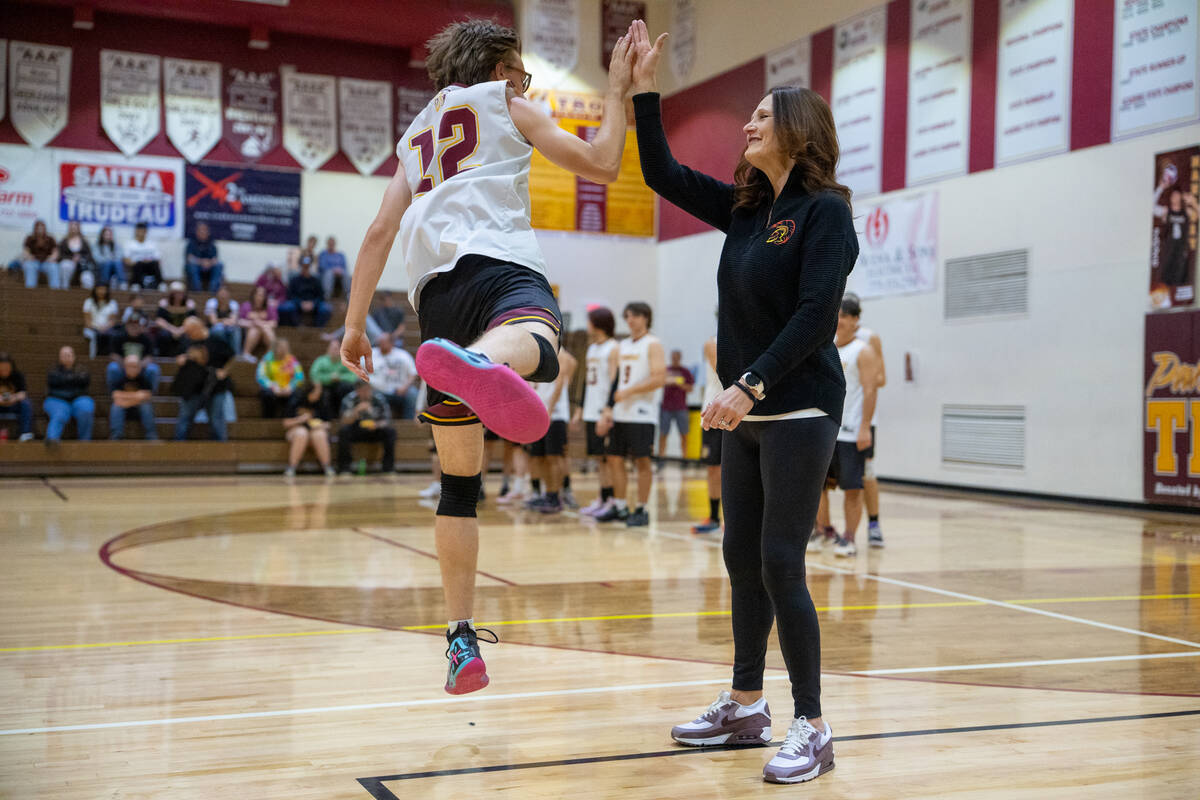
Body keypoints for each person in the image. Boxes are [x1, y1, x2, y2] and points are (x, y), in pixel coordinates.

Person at [338, 19, 635, 695]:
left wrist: (354, 326)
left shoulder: (415, 137)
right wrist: (617, 91)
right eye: (520, 72)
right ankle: (482, 363)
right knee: (542, 341)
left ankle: (460, 638)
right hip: (499, 265)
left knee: (459, 488)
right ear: (500, 69)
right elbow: (603, 163)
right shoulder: (505, 102)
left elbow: (380, 231)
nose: (522, 83)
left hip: (435, 299)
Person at [628, 20, 858, 784]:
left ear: (797, 129)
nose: (748, 124)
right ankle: (746, 704)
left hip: (798, 407)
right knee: (739, 556)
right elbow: (660, 171)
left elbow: (817, 314)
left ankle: (813, 726)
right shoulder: (746, 210)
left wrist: (750, 382)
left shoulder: (825, 212)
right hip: (746, 413)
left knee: (781, 560)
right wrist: (644, 92)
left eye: (762, 115)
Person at [815, 297, 880, 557]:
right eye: (836, 315)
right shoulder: (825, 348)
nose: (839, 321)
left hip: (852, 432)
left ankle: (849, 537)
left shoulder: (863, 351)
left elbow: (871, 390)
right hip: (826, 430)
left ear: (855, 320)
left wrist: (865, 427)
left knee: (852, 487)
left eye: (844, 316)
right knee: (817, 486)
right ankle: (824, 530)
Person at [595, 302, 665, 527]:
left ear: (646, 317)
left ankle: (642, 509)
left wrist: (630, 391)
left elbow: (659, 378)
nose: (630, 320)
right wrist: (608, 408)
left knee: (642, 461)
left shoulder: (653, 344)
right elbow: (616, 380)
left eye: (634, 315)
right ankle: (620, 506)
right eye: (627, 316)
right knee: (614, 459)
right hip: (620, 412)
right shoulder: (622, 345)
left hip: (642, 413)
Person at [845, 292, 886, 548]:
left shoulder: (868, 339)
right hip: (837, 418)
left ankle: (873, 524)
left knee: (866, 473)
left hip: (862, 417)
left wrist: (861, 373)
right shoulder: (831, 337)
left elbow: (881, 379)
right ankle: (823, 529)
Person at [577, 306, 619, 517]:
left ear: (598, 323)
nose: (587, 325)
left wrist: (608, 409)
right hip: (591, 410)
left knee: (607, 458)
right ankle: (603, 497)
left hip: (604, 411)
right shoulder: (592, 348)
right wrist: (580, 407)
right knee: (598, 458)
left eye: (589, 321)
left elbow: (614, 381)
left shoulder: (613, 347)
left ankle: (612, 499)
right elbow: (587, 381)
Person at [525, 349, 577, 513]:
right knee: (538, 457)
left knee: (554, 457)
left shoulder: (560, 355)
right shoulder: (538, 352)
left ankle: (555, 496)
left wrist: (550, 409)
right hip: (539, 414)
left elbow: (560, 383)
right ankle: (546, 494)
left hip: (554, 415)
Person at [174, 317, 234, 441]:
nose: (188, 335)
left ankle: (221, 448)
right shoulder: (186, 341)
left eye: (191, 331)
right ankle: (178, 447)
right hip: (192, 386)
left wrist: (225, 371)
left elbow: (232, 357)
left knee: (216, 420)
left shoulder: (216, 339)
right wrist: (180, 360)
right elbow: (179, 356)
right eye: (187, 332)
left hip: (215, 386)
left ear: (199, 327)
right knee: (184, 418)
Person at [692, 335, 723, 534]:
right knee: (713, 468)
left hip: (743, 413)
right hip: (714, 412)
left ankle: (737, 519)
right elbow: (726, 372)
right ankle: (713, 517)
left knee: (739, 470)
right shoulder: (712, 343)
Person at [336, 381, 395, 474]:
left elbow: (387, 420)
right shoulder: (349, 399)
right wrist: (356, 411)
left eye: (367, 390)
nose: (365, 393)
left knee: (390, 432)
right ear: (357, 391)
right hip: (356, 429)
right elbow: (343, 421)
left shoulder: (379, 399)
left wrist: (377, 424)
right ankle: (344, 469)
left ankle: (388, 468)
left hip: (375, 429)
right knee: (343, 431)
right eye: (362, 391)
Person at [282, 380, 336, 478]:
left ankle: (327, 467)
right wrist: (300, 419)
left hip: (315, 432)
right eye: (317, 391)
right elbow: (285, 423)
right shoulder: (296, 400)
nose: (319, 393)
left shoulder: (323, 401)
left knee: (319, 434)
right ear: (309, 392)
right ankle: (292, 467)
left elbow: (328, 424)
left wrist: (320, 425)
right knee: (301, 433)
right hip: (296, 431)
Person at [44, 345, 93, 443]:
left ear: (74, 356)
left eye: (69, 355)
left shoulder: (82, 370)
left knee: (86, 409)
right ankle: (52, 440)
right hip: (57, 399)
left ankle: (85, 443)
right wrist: (73, 380)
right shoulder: (53, 370)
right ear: (59, 357)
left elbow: (85, 381)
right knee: (59, 413)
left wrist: (65, 380)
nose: (67, 357)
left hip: (79, 398)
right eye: (64, 355)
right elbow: (53, 382)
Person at [658, 348, 695, 466]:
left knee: (684, 434)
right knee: (663, 434)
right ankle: (661, 460)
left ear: (679, 358)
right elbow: (658, 382)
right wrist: (666, 382)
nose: (674, 359)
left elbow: (690, 388)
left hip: (681, 408)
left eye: (676, 357)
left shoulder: (685, 372)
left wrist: (679, 383)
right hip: (666, 407)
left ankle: (684, 460)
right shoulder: (665, 370)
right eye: (673, 357)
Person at [107, 354, 157, 440]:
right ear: (124, 367)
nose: (132, 369)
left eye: (135, 366)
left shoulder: (144, 379)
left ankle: (151, 436)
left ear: (139, 367)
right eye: (129, 366)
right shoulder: (120, 378)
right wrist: (137, 396)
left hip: (137, 408)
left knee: (146, 407)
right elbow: (115, 395)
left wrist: (125, 399)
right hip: (125, 408)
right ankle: (116, 436)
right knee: (116, 407)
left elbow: (147, 396)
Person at [369, 333, 419, 419]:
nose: (381, 345)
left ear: (391, 343)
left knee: (413, 393)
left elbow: (413, 373)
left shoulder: (403, 355)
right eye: (380, 343)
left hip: (400, 390)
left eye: (384, 342)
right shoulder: (370, 354)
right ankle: (377, 422)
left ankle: (409, 423)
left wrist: (405, 387)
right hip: (377, 390)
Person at [256, 338, 303, 418]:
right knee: (267, 394)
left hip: (287, 389)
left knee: (298, 394)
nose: (284, 350)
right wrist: (273, 386)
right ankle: (268, 419)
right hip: (272, 389)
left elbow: (300, 377)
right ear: (275, 348)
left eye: (286, 348)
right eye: (281, 348)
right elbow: (260, 376)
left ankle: (288, 418)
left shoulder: (292, 359)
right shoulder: (266, 359)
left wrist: (290, 387)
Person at [278, 257, 331, 327]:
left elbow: (321, 296)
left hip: (314, 304)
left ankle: (318, 328)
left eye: (307, 267)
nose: (306, 269)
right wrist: (300, 303)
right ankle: (296, 326)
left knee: (325, 309)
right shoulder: (294, 280)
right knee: (286, 308)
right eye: (304, 267)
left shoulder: (316, 280)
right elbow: (290, 295)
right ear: (301, 267)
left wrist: (313, 303)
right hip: (297, 304)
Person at [310, 338, 359, 409]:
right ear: (328, 349)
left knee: (346, 387)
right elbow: (314, 374)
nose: (334, 351)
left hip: (340, 389)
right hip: (325, 387)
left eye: (336, 349)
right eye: (332, 348)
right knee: (322, 392)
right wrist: (329, 378)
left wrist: (339, 377)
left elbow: (353, 376)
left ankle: (344, 410)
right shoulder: (321, 361)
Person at [152, 282, 198, 357]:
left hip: (184, 330)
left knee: (188, 337)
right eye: (176, 293)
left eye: (180, 293)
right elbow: (159, 320)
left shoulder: (190, 305)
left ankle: (185, 357)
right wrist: (173, 330)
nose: (178, 296)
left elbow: (193, 320)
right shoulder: (164, 304)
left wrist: (180, 330)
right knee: (163, 335)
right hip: (168, 330)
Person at [238, 285, 278, 362]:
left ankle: (268, 356)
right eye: (258, 295)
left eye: (262, 295)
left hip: (265, 332)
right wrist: (252, 323)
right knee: (255, 329)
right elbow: (240, 321)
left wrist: (260, 323)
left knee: (267, 329)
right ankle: (246, 353)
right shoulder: (246, 305)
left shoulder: (270, 307)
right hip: (250, 332)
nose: (259, 298)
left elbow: (274, 323)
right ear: (253, 295)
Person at [0, 353, 34, 441]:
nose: (4, 371)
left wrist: (13, 398)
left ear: (11, 367)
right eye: (2, 368)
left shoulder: (18, 375)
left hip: (13, 404)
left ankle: (25, 433)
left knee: (26, 403)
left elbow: (23, 393)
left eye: (7, 368)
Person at [82, 284, 120, 358]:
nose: (101, 291)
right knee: (94, 336)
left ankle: (109, 357)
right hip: (91, 328)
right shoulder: (88, 302)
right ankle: (93, 358)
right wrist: (97, 328)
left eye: (103, 289)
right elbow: (87, 321)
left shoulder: (112, 303)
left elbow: (112, 321)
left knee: (113, 335)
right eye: (99, 289)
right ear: (95, 290)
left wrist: (105, 328)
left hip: (107, 329)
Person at [123, 222, 164, 290]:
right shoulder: (130, 244)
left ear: (146, 232)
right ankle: (136, 284)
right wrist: (135, 262)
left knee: (155, 264)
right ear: (136, 231)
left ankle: (160, 283)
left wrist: (148, 261)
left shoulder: (151, 244)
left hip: (149, 265)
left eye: (143, 231)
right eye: (139, 231)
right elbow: (126, 259)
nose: (141, 233)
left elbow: (158, 259)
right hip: (136, 265)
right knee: (139, 264)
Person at [185, 222, 224, 292]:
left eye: (205, 230)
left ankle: (213, 291)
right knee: (191, 266)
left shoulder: (211, 243)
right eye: (200, 230)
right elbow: (189, 258)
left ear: (208, 232)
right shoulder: (192, 243)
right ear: (197, 232)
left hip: (209, 267)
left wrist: (209, 263)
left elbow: (215, 259)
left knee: (219, 265)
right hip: (197, 266)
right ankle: (197, 291)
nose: (203, 232)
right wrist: (202, 262)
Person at [22, 219, 60, 289]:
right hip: (33, 261)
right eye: (38, 228)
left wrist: (52, 258)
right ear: (35, 229)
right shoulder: (30, 238)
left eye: (41, 228)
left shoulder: (50, 239)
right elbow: (26, 251)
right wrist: (29, 257)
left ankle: (55, 290)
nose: (40, 230)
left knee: (54, 266)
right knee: (29, 265)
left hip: (47, 262)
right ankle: (30, 289)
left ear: (45, 229)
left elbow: (55, 252)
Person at [59, 220, 98, 289]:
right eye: (72, 226)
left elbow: (89, 255)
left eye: (75, 226)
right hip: (69, 263)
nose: (74, 228)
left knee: (87, 278)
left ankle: (87, 294)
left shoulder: (84, 241)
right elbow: (61, 255)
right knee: (65, 265)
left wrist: (80, 257)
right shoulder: (64, 241)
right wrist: (71, 258)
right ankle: (64, 289)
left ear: (79, 228)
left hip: (82, 265)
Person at [205, 286, 242, 355]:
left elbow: (233, 321)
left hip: (228, 328)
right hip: (213, 328)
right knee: (219, 329)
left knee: (236, 330)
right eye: (221, 294)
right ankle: (229, 351)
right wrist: (224, 321)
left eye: (225, 294)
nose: (223, 296)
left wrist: (222, 321)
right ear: (217, 294)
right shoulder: (211, 303)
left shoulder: (233, 304)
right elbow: (213, 321)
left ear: (229, 295)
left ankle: (236, 355)